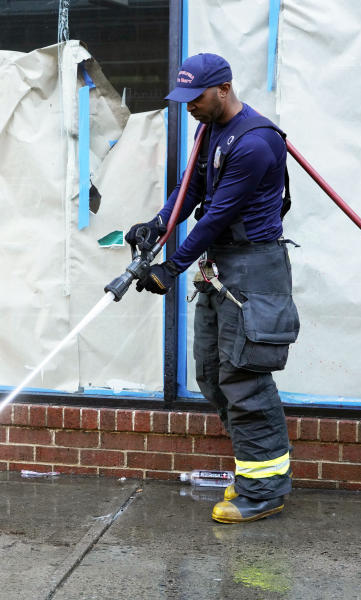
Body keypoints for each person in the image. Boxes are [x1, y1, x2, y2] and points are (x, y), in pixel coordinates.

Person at [126, 53, 299, 524]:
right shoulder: (210, 130)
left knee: (243, 377)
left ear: (223, 88)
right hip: (222, 268)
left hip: (252, 271)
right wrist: (156, 226)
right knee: (211, 372)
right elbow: (192, 190)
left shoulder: (257, 143)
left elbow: (219, 213)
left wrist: (171, 268)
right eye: (183, 100)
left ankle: (264, 491)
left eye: (195, 98)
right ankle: (254, 473)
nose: (189, 108)